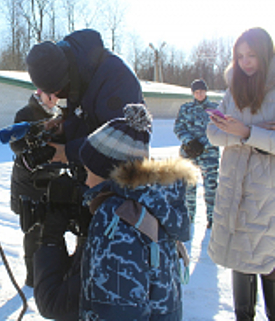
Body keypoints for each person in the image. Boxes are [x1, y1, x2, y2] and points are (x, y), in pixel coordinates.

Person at [78, 104, 195, 320]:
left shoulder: (117, 218)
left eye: (88, 171)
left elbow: (116, 309)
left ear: (108, 174)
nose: (85, 180)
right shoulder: (156, 204)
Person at [207, 27, 275, 320]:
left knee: (268, 263)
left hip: (266, 198)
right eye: (240, 56)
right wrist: (243, 134)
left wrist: (246, 132)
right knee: (239, 260)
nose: (245, 62)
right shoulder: (232, 91)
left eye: (252, 55)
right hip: (233, 193)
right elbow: (212, 133)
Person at [25, 28, 144, 171]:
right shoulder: (78, 76)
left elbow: (121, 141)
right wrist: (63, 129)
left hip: (120, 179)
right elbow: (86, 122)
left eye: (56, 91)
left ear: (65, 78)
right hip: (90, 175)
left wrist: (69, 153)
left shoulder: (116, 77)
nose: (55, 98)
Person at [9, 88, 61, 287]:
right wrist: (36, 142)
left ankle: (48, 272)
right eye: (53, 95)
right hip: (29, 179)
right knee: (33, 227)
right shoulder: (25, 114)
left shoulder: (58, 114)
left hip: (52, 175)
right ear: (42, 94)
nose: (56, 99)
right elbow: (15, 144)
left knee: (52, 225)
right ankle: (32, 276)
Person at [174, 78, 220, 229]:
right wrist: (190, 142)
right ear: (193, 93)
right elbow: (178, 127)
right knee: (188, 186)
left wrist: (204, 144)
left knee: (211, 187)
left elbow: (219, 130)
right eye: (196, 92)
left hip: (209, 154)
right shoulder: (185, 108)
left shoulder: (215, 108)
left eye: (202, 91)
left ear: (206, 91)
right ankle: (189, 216)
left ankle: (212, 217)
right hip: (189, 153)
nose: (199, 94)